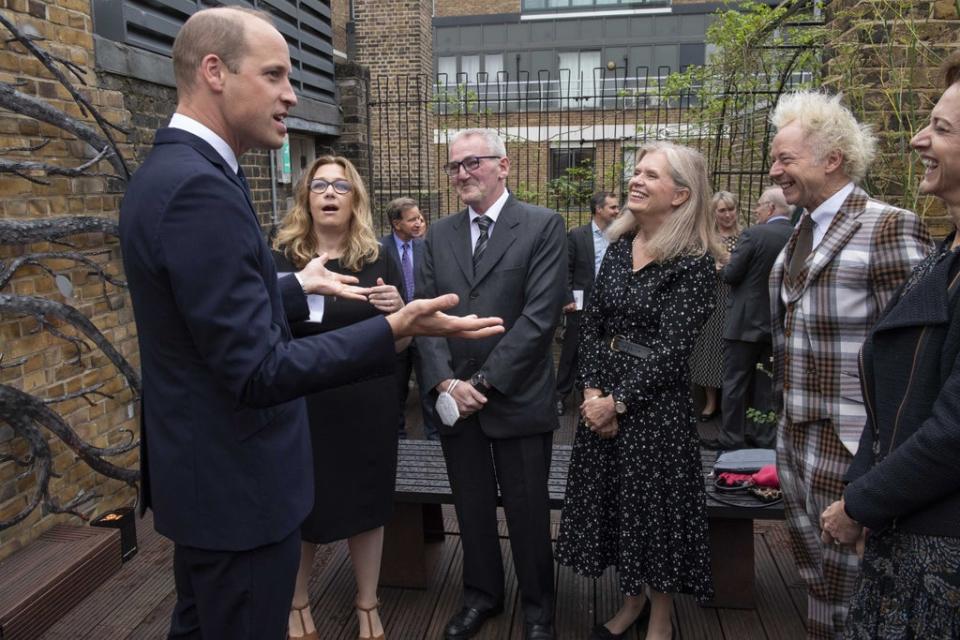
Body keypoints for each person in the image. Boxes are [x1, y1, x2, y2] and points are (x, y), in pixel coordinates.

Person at [118, 9, 503, 639]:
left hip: (206, 482)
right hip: (237, 491)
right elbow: (257, 369)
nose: (291, 94)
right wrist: (393, 329)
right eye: (274, 75)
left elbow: (206, 304)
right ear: (215, 72)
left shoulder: (176, 171)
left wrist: (294, 285)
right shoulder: (200, 189)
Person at [767, 90, 933, 639]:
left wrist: (883, 459)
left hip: (854, 442)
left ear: (831, 159)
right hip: (796, 437)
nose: (776, 170)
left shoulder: (889, 226)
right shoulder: (800, 229)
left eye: (786, 159)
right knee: (819, 575)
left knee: (856, 577)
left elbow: (915, 358)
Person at [556, 141, 722, 640]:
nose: (636, 180)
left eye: (651, 174)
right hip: (601, 400)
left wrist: (616, 402)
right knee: (619, 508)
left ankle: (663, 619)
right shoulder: (619, 247)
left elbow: (673, 351)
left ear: (681, 195)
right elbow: (592, 326)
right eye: (636, 171)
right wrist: (590, 393)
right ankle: (632, 603)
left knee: (656, 516)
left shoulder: (692, 263)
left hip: (654, 412)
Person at [820, 52, 960, 640]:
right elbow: (895, 396)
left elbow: (953, 431)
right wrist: (864, 488)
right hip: (903, 526)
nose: (918, 138)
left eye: (943, 129)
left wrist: (861, 503)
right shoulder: (944, 254)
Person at [416, 128, 566, 640]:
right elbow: (425, 316)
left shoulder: (543, 225)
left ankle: (539, 610)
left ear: (504, 166)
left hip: (517, 399)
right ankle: (481, 596)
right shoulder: (437, 234)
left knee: (527, 514)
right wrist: (444, 385)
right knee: (471, 509)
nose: (462, 173)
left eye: (472, 162)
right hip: (456, 403)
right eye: (454, 166)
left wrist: (481, 383)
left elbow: (540, 318)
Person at [273, 156, 404, 640]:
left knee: (368, 502)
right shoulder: (280, 258)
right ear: (306, 197)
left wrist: (399, 312)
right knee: (301, 501)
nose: (329, 194)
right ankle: (296, 597)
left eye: (341, 187)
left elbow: (401, 340)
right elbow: (264, 334)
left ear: (355, 200)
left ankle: (368, 601)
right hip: (303, 399)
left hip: (364, 399)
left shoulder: (378, 258)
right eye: (320, 185)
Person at [707, 186, 793, 450]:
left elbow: (733, 274)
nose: (755, 210)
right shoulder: (798, 234)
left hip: (744, 323)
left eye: (758, 205)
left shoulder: (753, 234)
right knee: (766, 382)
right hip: (777, 322)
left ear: (769, 207)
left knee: (735, 382)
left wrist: (722, 267)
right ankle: (764, 435)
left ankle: (731, 437)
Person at [379, 197, 440, 440]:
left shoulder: (427, 248)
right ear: (396, 224)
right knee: (396, 387)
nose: (419, 223)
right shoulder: (379, 249)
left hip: (425, 326)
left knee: (430, 383)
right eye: (412, 219)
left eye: (420, 217)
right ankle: (398, 437)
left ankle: (435, 437)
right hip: (396, 328)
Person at [554, 191, 619, 416]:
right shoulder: (577, 235)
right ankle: (559, 396)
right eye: (612, 207)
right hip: (581, 305)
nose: (617, 211)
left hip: (611, 306)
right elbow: (565, 269)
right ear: (598, 209)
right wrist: (567, 298)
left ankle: (596, 393)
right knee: (571, 350)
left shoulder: (620, 236)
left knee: (606, 349)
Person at [688, 191, 740, 422]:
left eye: (731, 209)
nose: (728, 215)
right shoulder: (706, 238)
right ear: (714, 213)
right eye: (722, 210)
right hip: (712, 300)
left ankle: (730, 402)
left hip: (736, 299)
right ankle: (710, 403)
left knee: (730, 353)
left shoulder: (745, 236)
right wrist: (713, 269)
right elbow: (693, 268)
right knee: (709, 350)